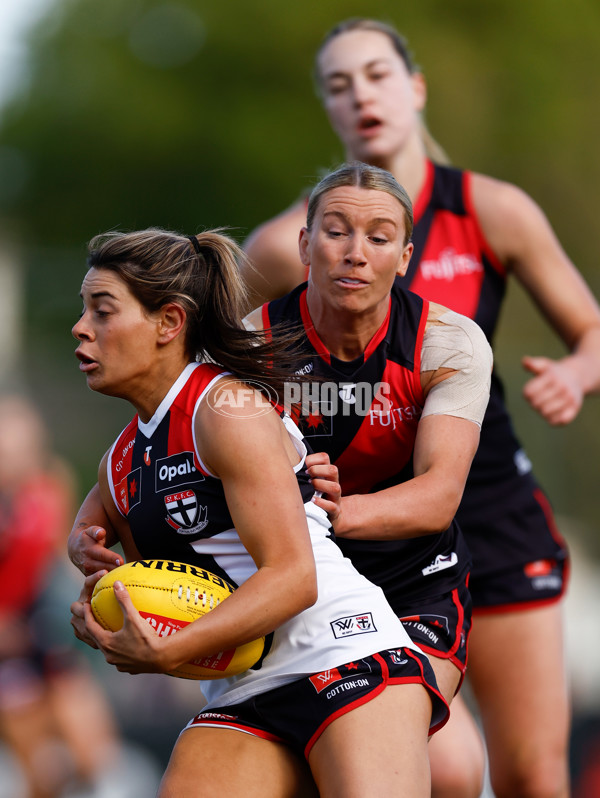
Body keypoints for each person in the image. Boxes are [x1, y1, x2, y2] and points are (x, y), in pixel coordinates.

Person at [242, 18, 600, 798]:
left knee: (535, 774)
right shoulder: (285, 245)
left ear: (415, 87)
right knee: (432, 767)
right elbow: (203, 369)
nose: (360, 94)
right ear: (329, 111)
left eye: (375, 74)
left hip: (489, 507)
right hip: (361, 531)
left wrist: (576, 373)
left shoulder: (491, 209)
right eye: (338, 85)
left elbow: (593, 331)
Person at [68, 226, 453, 798]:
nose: (81, 327)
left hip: (345, 655)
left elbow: (294, 578)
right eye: (83, 310)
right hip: (244, 688)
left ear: (169, 323)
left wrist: (173, 648)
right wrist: (98, 602)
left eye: (102, 311)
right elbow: (126, 556)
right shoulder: (120, 461)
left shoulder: (226, 412)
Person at [0, 395, 121, 798]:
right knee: (38, 771)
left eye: (24, 445)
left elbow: (58, 556)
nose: (17, 457)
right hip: (10, 648)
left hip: (46, 629)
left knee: (93, 758)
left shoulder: (52, 484)